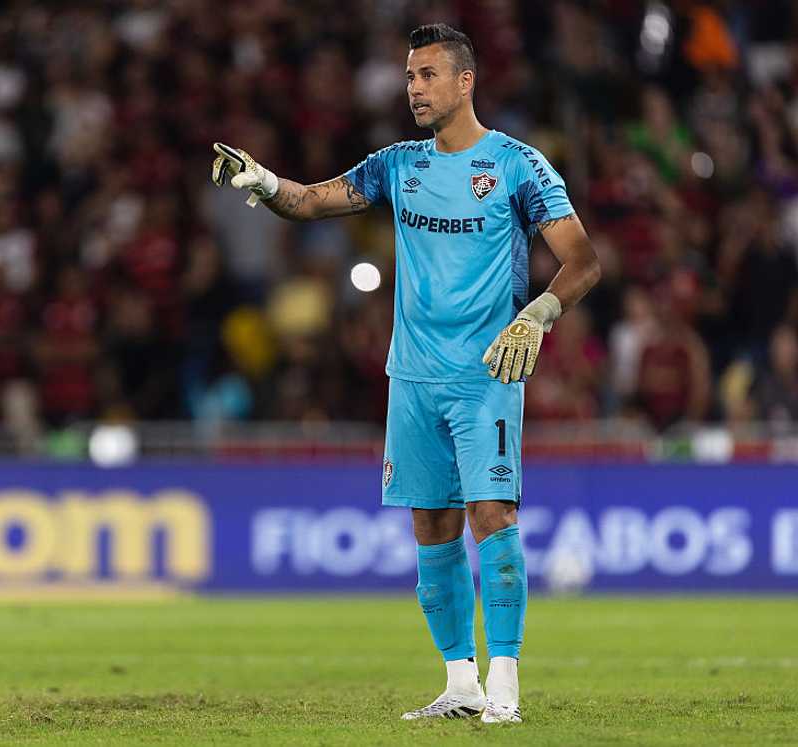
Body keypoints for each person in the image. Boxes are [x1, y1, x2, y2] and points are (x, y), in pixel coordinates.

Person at [211, 23, 600, 724]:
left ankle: (504, 687)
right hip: (412, 377)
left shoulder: (517, 165)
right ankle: (460, 682)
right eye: (410, 75)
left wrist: (538, 313)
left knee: (493, 514)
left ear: (464, 81)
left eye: (426, 75)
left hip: (486, 373)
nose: (413, 87)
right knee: (432, 526)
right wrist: (262, 180)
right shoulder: (398, 164)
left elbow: (583, 260)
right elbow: (309, 201)